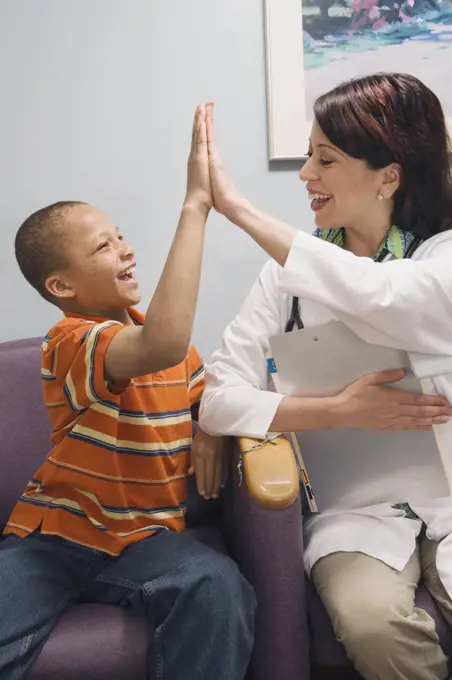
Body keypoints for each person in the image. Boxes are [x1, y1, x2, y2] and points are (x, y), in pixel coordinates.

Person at [200, 73, 452, 680]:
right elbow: (217, 398)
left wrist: (235, 208)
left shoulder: (440, 260)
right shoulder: (282, 279)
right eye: (310, 155)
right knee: (371, 624)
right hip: (354, 512)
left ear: (388, 176)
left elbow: (379, 293)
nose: (306, 175)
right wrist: (337, 413)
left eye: (325, 159)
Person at [0, 104, 255, 680]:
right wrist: (196, 205)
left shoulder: (177, 353)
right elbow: (162, 341)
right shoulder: (71, 342)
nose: (126, 250)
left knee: (218, 587)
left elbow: (217, 387)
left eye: (121, 238)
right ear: (62, 285)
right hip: (53, 540)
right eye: (103, 248)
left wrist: (210, 422)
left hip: (148, 541)